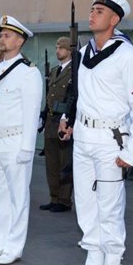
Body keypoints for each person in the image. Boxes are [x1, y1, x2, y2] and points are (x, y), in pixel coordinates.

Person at [56, 0, 133, 265]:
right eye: (92, 9)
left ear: (114, 19)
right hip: (84, 138)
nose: (92, 14)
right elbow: (80, 94)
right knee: (86, 207)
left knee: (109, 210)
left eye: (99, 11)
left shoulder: (129, 56)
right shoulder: (84, 53)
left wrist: (132, 152)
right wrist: (67, 118)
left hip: (112, 142)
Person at [0, 15, 42, 264]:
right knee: (0, 196)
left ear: (19, 40)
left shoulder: (28, 73)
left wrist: (27, 147)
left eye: (7, 35)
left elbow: (31, 111)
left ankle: (14, 247)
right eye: (1, 35)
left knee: (18, 197)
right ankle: (0, 241)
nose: (2, 39)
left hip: (16, 143)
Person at [40, 36, 74, 212]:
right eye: (56, 47)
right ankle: (54, 197)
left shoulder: (74, 72)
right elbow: (49, 96)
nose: (57, 51)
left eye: (60, 48)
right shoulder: (54, 71)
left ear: (69, 50)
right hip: (50, 122)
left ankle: (64, 200)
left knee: (64, 162)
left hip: (63, 122)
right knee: (51, 163)